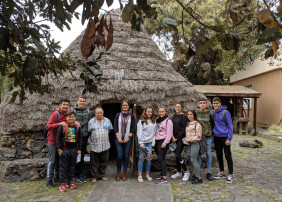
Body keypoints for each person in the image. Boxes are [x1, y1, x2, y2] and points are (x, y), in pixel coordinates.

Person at [45, 98, 70, 188]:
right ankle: (49, 180)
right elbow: (48, 126)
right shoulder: (56, 114)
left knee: (59, 161)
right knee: (52, 161)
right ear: (60, 105)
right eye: (64, 104)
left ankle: (56, 177)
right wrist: (59, 124)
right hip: (53, 141)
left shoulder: (67, 114)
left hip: (62, 142)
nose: (65, 106)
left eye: (67, 105)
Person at [56, 111, 82, 192]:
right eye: (69, 117)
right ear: (66, 118)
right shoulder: (63, 127)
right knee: (63, 167)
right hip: (64, 149)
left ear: (75, 118)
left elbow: (80, 138)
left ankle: (70, 181)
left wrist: (79, 149)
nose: (71, 118)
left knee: (72, 167)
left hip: (74, 149)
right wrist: (59, 149)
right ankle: (62, 183)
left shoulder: (77, 127)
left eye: (73, 117)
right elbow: (58, 138)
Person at [211, 97, 234, 183]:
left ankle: (230, 175)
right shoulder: (213, 113)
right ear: (212, 104)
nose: (215, 105)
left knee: (228, 156)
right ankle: (222, 172)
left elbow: (230, 126)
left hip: (225, 137)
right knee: (219, 155)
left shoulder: (225, 113)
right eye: (214, 103)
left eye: (217, 103)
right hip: (216, 137)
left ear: (220, 103)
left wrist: (229, 138)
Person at [88, 107, 113, 183]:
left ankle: (101, 175)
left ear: (103, 113)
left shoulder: (107, 121)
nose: (99, 114)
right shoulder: (91, 121)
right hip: (94, 145)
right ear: (95, 114)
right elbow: (89, 131)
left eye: (100, 113)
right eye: (97, 113)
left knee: (104, 161)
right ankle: (94, 177)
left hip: (105, 145)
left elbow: (110, 129)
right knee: (94, 162)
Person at [113, 101, 136, 181]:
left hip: (127, 138)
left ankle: (124, 172)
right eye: (124, 105)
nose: (125, 106)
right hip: (118, 137)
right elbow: (115, 126)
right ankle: (118, 172)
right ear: (121, 107)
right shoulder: (117, 115)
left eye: (126, 105)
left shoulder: (131, 116)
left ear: (128, 106)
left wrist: (128, 137)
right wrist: (118, 137)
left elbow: (133, 127)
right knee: (119, 155)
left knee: (126, 156)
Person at [73, 95, 91, 183]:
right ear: (77, 101)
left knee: (81, 155)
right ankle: (72, 174)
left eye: (83, 101)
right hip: (73, 136)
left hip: (83, 137)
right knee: (72, 154)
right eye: (80, 101)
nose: (82, 102)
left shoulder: (88, 112)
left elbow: (90, 123)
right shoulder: (73, 111)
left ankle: (80, 174)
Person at [136, 106, 156, 183]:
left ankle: (147, 174)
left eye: (151, 112)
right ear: (145, 112)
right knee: (141, 157)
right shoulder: (141, 121)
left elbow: (154, 132)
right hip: (143, 142)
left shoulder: (153, 121)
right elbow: (139, 133)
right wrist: (140, 143)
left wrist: (153, 142)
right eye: (148, 112)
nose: (150, 113)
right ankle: (140, 175)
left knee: (149, 158)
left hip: (149, 142)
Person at [171, 102, 189, 181]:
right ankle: (179, 172)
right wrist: (172, 137)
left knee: (178, 155)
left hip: (180, 139)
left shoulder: (184, 116)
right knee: (176, 156)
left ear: (182, 108)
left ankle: (186, 171)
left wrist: (177, 138)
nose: (177, 108)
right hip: (174, 138)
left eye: (179, 107)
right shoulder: (174, 115)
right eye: (176, 107)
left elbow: (183, 129)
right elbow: (172, 126)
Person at [197, 98, 214, 181]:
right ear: (198, 104)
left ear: (206, 104)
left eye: (204, 103)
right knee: (199, 154)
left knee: (208, 154)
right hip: (199, 137)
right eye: (201, 103)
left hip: (208, 137)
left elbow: (213, 124)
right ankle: (198, 172)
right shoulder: (196, 113)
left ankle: (208, 172)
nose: (202, 104)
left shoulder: (210, 113)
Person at [154, 107, 173, 184]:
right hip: (156, 141)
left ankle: (164, 177)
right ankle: (162, 173)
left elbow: (169, 134)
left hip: (163, 141)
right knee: (160, 158)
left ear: (165, 112)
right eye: (160, 112)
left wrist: (165, 143)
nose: (161, 113)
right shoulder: (157, 120)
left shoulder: (168, 121)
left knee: (161, 158)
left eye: (162, 111)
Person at [184, 110, 203, 184]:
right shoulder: (188, 123)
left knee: (194, 160)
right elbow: (188, 134)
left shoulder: (197, 124)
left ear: (194, 115)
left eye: (191, 114)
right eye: (188, 114)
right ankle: (196, 175)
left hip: (195, 143)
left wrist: (190, 139)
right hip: (189, 143)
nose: (189, 116)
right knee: (192, 159)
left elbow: (198, 136)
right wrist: (185, 138)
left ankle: (199, 178)